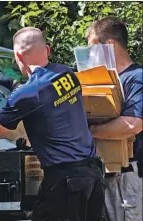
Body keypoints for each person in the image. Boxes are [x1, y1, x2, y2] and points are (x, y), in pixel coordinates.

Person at [0, 27, 105, 221]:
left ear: (18, 55)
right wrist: (15, 85)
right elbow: (45, 95)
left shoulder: (27, 94)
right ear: (47, 50)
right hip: (93, 177)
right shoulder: (67, 74)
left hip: (65, 183)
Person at [86, 16, 143, 221]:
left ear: (109, 45)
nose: (90, 54)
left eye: (93, 47)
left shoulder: (136, 78)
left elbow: (132, 124)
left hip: (129, 175)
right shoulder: (105, 79)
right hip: (107, 172)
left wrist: (89, 133)